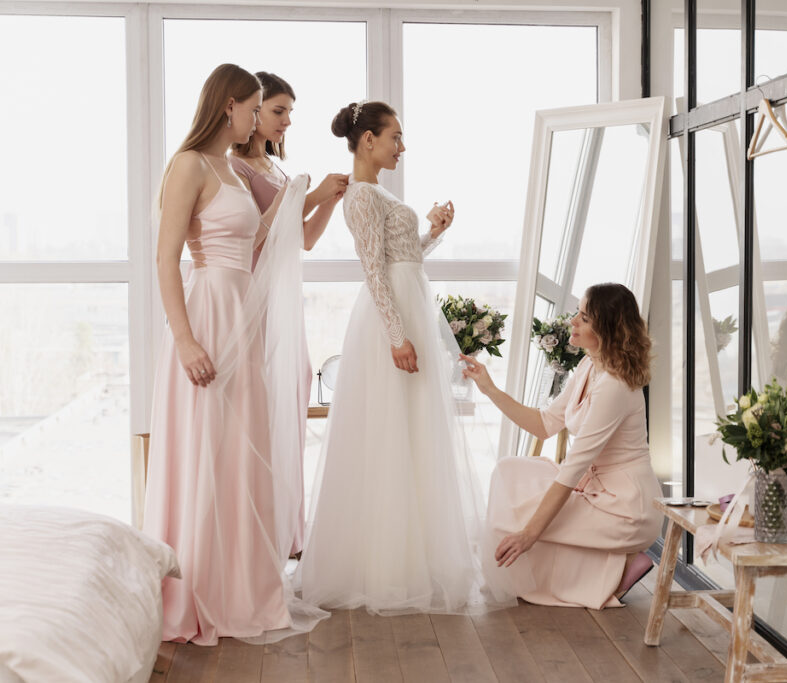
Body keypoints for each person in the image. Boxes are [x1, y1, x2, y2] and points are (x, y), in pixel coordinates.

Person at [296, 100, 516, 614]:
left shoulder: (378, 193)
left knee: (412, 434)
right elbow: (373, 270)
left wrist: (433, 233)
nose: (402, 146)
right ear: (367, 139)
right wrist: (397, 335)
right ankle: (385, 568)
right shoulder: (360, 197)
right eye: (395, 136)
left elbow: (402, 258)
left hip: (406, 305)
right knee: (389, 436)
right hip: (391, 320)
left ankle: (411, 558)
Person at [143, 63, 325, 644]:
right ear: (229, 107)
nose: (258, 118)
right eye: (253, 108)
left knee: (241, 454)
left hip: (243, 317)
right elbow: (166, 259)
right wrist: (186, 340)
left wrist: (300, 199)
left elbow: (260, 240)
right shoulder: (189, 165)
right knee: (206, 450)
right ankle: (197, 588)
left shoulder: (232, 169)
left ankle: (240, 587)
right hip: (208, 314)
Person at [461, 283, 663, 608]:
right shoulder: (587, 366)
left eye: (583, 317)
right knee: (509, 471)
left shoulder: (614, 386)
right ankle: (614, 565)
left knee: (522, 525)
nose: (573, 321)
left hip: (625, 509)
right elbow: (544, 423)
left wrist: (529, 534)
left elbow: (572, 468)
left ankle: (618, 567)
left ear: (606, 329)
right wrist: (490, 389)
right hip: (593, 489)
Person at [229, 71, 348, 558]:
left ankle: (286, 528)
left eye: (288, 112)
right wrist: (311, 195)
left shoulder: (276, 168)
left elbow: (303, 238)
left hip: (283, 298)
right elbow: (255, 231)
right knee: (259, 404)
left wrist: (329, 202)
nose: (286, 121)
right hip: (252, 298)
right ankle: (255, 526)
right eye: (278, 111)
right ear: (253, 113)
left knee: (293, 388)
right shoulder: (234, 168)